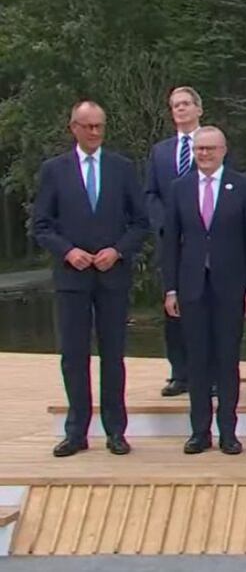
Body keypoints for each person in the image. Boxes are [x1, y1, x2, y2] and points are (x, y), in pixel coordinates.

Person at [33, 100, 149, 457]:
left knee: (113, 355)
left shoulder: (122, 168)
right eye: (88, 126)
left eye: (100, 126)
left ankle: (116, 431)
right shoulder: (55, 170)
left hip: (112, 276)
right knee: (74, 355)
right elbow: (41, 224)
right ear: (74, 128)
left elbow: (140, 223)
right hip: (72, 277)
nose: (95, 133)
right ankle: (77, 431)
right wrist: (68, 251)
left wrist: (117, 250)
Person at [162, 126, 246, 455]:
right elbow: (170, 244)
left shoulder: (244, 187)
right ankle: (199, 431)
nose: (204, 154)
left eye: (210, 148)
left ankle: (228, 432)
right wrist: (170, 289)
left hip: (230, 286)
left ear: (223, 150)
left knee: (226, 360)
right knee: (197, 360)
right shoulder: (180, 188)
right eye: (199, 149)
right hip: (191, 286)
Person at [146, 86, 204, 397]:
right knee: (173, 306)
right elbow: (150, 193)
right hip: (171, 241)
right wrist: (165, 224)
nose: (179, 110)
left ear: (198, 109)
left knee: (206, 305)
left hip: (204, 239)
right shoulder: (161, 151)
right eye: (174, 105)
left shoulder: (211, 145)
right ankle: (179, 373)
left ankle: (207, 373)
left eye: (185, 104)